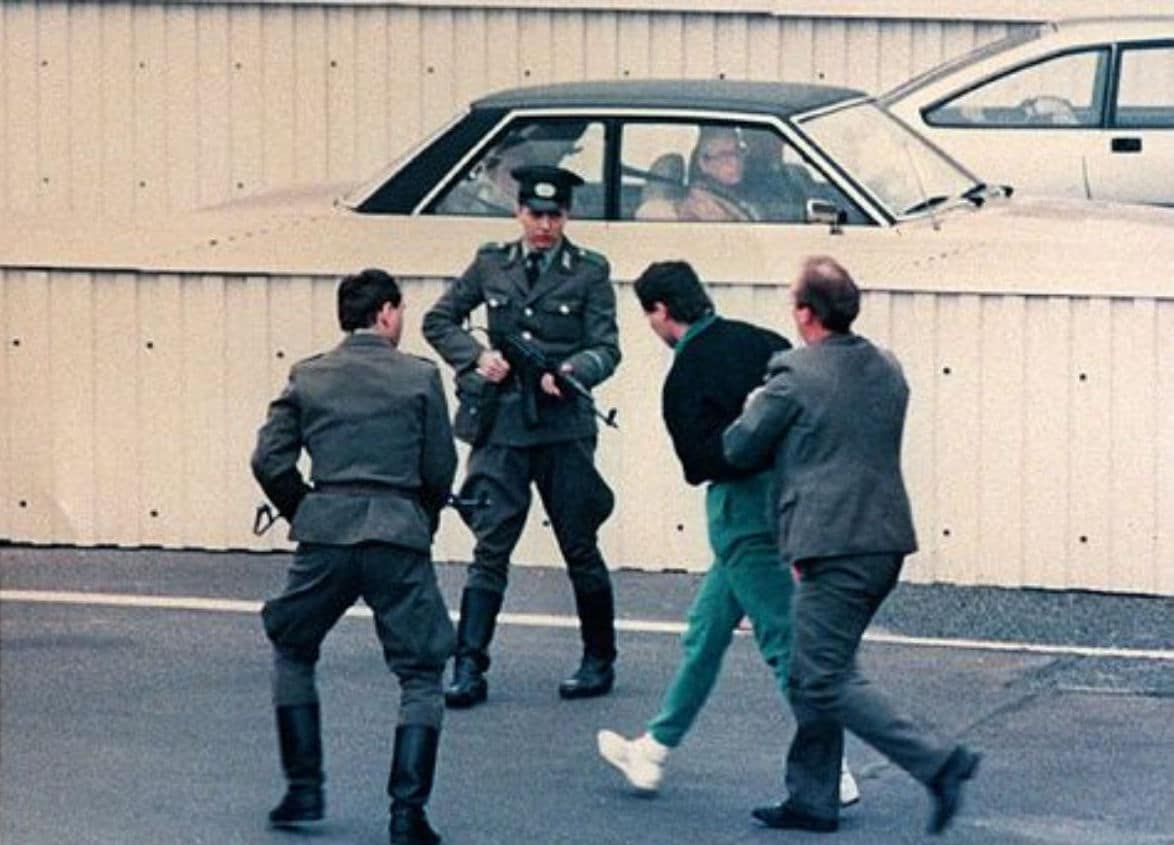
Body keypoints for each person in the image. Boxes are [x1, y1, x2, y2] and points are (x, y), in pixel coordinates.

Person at [722, 256, 980, 835]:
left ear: (805, 313)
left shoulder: (791, 375)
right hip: (882, 539)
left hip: (833, 547)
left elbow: (739, 448)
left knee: (821, 676)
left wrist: (750, 409)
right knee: (819, 665)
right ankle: (812, 797)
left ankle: (939, 764)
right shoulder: (887, 367)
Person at [595, 261, 858, 807]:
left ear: (661, 312)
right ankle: (654, 749)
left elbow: (700, 463)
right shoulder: (763, 340)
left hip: (740, 513)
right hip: (788, 498)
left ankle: (831, 771)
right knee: (705, 633)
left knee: (782, 640)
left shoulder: (684, 376)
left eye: (650, 316)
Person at [251, 268, 458, 845]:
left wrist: (306, 511)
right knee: (421, 673)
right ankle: (406, 815)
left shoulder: (309, 376)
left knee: (293, 647)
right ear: (387, 313)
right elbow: (440, 467)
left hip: (326, 536)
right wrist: (421, 517)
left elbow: (269, 460)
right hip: (397, 533)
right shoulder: (419, 376)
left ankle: (304, 788)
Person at [422, 164, 622, 708]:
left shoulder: (590, 272)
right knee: (491, 545)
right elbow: (438, 321)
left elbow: (608, 347)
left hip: (563, 430)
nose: (544, 226)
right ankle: (468, 666)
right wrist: (477, 357)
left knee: (579, 543)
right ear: (519, 212)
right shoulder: (491, 263)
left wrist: (574, 370)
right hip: (504, 427)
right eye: (535, 214)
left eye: (555, 215)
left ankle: (598, 658)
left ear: (567, 216)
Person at [676, 126, 759, 222]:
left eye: (738, 151)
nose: (735, 161)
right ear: (704, 163)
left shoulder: (728, 196)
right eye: (725, 155)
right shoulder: (702, 206)